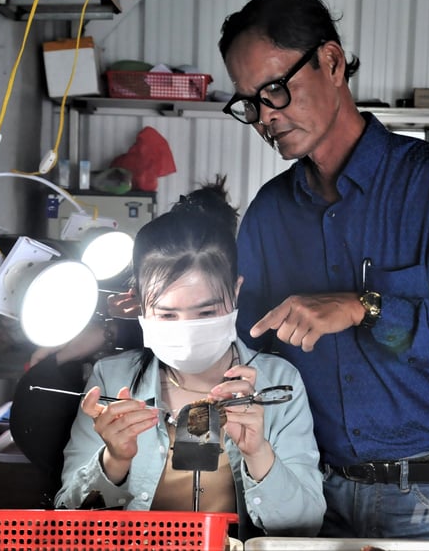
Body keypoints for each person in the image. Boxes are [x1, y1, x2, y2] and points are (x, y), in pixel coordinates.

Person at [217, 0, 429, 542]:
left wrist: (365, 306)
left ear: (331, 62)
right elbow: (246, 352)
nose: (265, 116)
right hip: (312, 492)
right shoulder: (267, 215)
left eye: (275, 90)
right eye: (249, 104)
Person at [54, 182, 326, 539]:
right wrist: (113, 462)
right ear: (139, 306)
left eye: (206, 311)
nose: (188, 330)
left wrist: (259, 453)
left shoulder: (279, 385)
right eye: (167, 315)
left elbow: (305, 526)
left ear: (236, 292)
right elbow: (67, 519)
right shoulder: (111, 380)